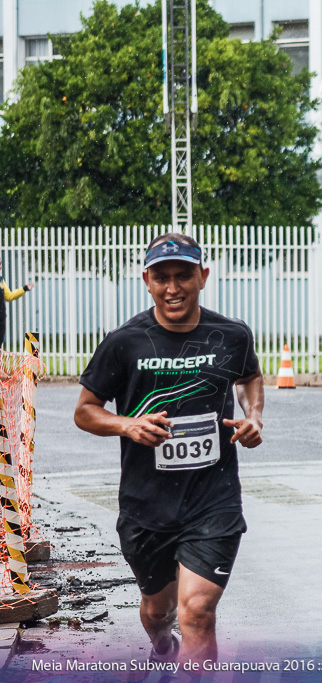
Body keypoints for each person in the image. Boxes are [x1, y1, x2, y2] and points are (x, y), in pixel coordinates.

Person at [74, 232, 264, 667]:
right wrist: (128, 424)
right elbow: (85, 411)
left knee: (196, 611)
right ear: (146, 280)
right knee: (158, 612)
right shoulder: (125, 342)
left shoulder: (231, 335)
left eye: (183, 275)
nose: (173, 287)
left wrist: (253, 416)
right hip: (146, 505)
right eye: (162, 277)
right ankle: (161, 644)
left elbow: (249, 376)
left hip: (212, 500)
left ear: (204, 276)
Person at [0, 258, 35, 348]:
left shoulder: (1, 281)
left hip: (1, 318)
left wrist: (25, 288)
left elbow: (9, 296)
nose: (1, 267)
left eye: (1, 264)